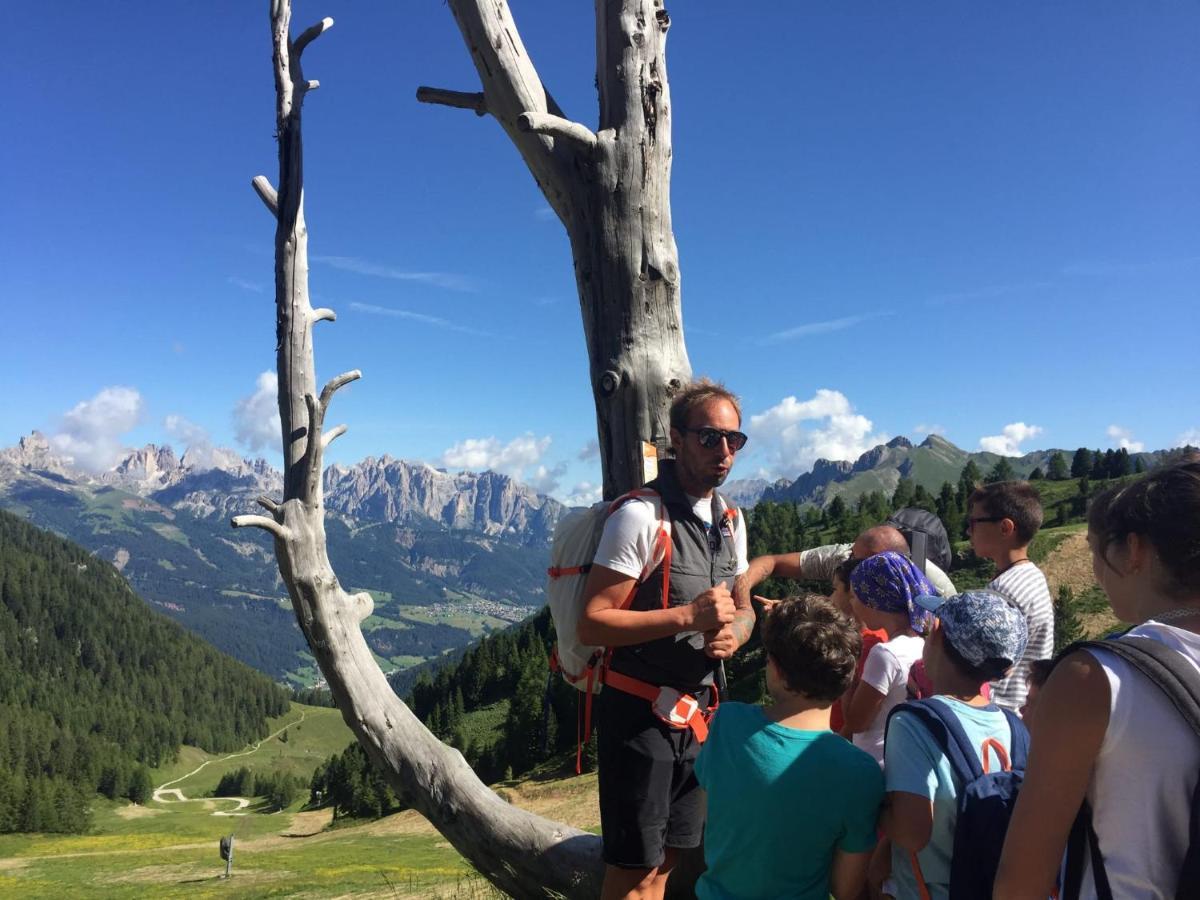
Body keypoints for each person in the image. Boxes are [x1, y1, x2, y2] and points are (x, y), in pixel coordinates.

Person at [578, 379, 754, 900]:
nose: (723, 452)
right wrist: (688, 617)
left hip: (699, 718)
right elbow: (593, 622)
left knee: (668, 866)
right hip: (640, 721)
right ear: (676, 439)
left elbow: (742, 604)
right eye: (708, 437)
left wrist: (737, 635)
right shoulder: (640, 514)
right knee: (632, 876)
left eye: (734, 440)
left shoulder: (730, 519)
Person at [995, 461, 1200, 899]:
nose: (1093, 570)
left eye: (1094, 550)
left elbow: (1022, 877)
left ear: (1134, 551)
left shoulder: (1095, 678)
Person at [695, 595, 884, 899]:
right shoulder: (862, 773)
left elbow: (711, 818)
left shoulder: (727, 724)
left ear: (777, 670)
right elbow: (845, 889)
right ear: (846, 677)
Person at [880, 589, 1029, 900]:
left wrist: (871, 806)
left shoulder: (914, 724)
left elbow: (912, 832)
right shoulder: (1015, 727)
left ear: (936, 634)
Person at [840, 551, 936, 764]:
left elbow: (856, 722)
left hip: (873, 765)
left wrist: (847, 676)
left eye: (855, 596)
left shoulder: (885, 654)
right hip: (904, 761)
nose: (852, 604)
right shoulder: (924, 646)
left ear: (873, 601)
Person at [966, 481, 1053, 711]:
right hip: (1020, 710)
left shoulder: (1003, 592)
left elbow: (982, 666)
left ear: (1005, 528)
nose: (968, 531)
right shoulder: (1032, 577)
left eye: (974, 522)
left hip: (999, 710)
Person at [736, 523, 957, 610]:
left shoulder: (938, 591)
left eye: (856, 561)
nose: (848, 564)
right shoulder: (844, 556)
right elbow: (772, 562)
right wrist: (741, 590)